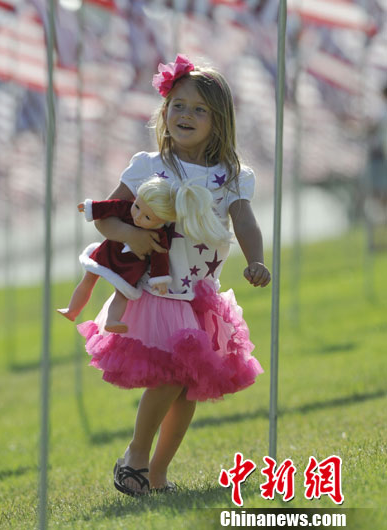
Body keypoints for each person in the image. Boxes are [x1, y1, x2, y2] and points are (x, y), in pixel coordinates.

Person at [77, 54, 271, 496]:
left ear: (218, 120)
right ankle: (135, 456)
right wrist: (132, 234)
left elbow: (245, 222)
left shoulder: (232, 175)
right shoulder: (149, 165)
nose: (186, 115)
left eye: (199, 109)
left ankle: (158, 473)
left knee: (188, 389)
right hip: (160, 291)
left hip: (201, 295)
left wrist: (255, 259)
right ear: (165, 112)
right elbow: (106, 216)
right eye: (179, 105)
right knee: (169, 375)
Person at [58, 176, 230, 333]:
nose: (138, 217)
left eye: (147, 217)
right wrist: (90, 207)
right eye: (137, 207)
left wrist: (159, 279)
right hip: (109, 252)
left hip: (130, 268)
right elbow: (109, 206)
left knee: (122, 294)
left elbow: (160, 259)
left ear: (162, 221)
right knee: (88, 278)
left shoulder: (160, 236)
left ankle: (112, 320)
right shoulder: (126, 208)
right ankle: (73, 309)